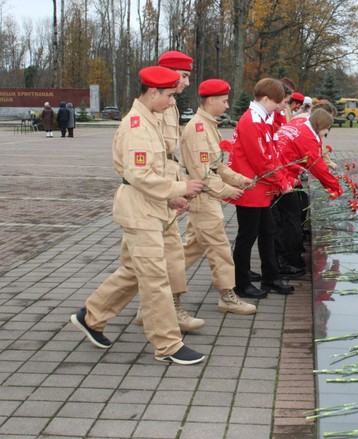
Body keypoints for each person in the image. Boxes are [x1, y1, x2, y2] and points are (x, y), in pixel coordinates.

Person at [70, 66, 207, 365]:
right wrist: (180, 187)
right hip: (138, 210)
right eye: (169, 96)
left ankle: (91, 316)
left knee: (134, 271)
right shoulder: (136, 126)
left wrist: (172, 198)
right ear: (153, 92)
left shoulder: (151, 120)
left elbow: (153, 173)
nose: (173, 102)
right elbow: (140, 175)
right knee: (155, 278)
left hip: (149, 206)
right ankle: (168, 345)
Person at [133, 50, 205, 332]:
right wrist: (173, 191)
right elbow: (151, 161)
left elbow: (170, 156)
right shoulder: (152, 108)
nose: (187, 82)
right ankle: (94, 314)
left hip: (162, 190)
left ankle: (152, 309)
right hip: (150, 195)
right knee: (144, 263)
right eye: (184, 76)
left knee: (164, 257)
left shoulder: (170, 106)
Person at [180, 79, 256, 315]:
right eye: (223, 101)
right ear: (210, 100)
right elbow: (202, 172)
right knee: (220, 248)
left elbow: (216, 165)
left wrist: (238, 179)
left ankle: (158, 292)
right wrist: (227, 191)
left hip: (206, 196)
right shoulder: (198, 129)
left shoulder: (209, 126)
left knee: (190, 249)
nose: (226, 106)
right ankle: (227, 296)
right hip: (204, 198)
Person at [229, 78, 296, 299]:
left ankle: (271, 277)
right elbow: (261, 160)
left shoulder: (262, 118)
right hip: (250, 187)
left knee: (268, 231)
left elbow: (272, 153)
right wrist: (282, 181)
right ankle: (241, 283)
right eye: (275, 102)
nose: (279, 107)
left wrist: (282, 177)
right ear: (265, 98)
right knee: (247, 236)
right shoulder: (252, 120)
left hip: (260, 187)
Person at [273, 109, 344, 274]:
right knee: (292, 221)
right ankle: (290, 262)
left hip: (280, 173)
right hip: (282, 179)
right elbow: (317, 167)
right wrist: (336, 188)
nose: (326, 134)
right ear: (322, 125)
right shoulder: (308, 136)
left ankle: (283, 258)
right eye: (328, 130)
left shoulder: (300, 123)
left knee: (287, 218)